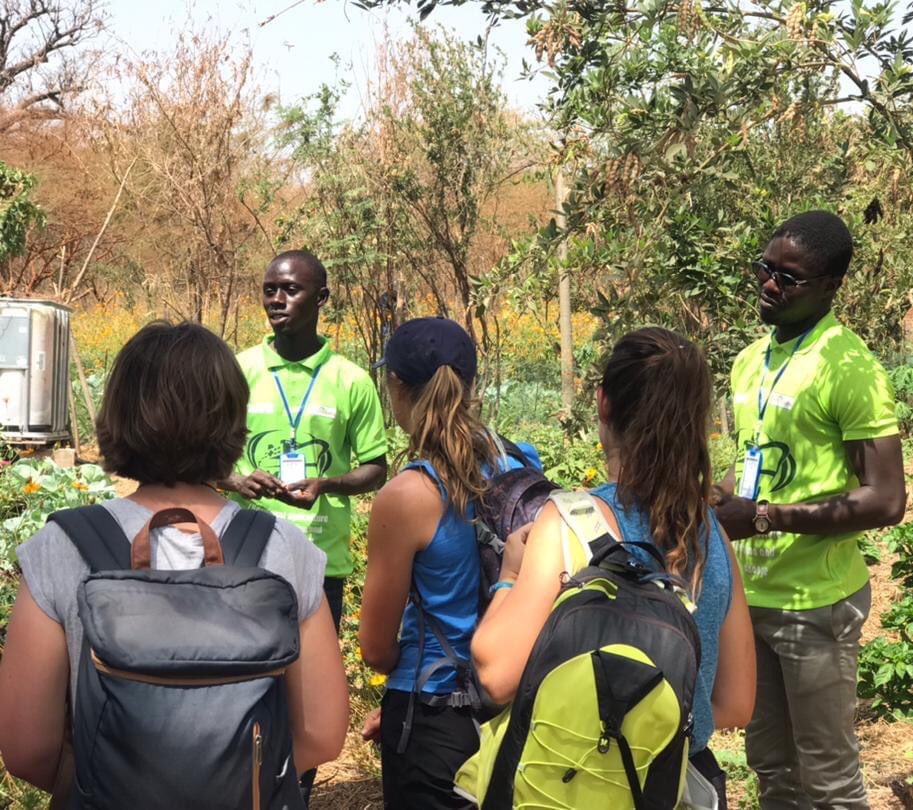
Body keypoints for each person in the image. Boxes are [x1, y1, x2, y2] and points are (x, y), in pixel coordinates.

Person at [0, 321, 348, 800]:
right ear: (232, 419)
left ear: (118, 414)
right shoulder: (283, 548)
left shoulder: (62, 546)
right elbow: (321, 735)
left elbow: (27, 749)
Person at [471, 327, 756, 789]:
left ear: (603, 403)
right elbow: (736, 704)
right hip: (681, 783)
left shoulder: (570, 522)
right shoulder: (711, 535)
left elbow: (497, 676)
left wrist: (508, 578)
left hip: (580, 786)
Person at [713, 210, 906, 809]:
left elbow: (886, 498)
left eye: (789, 278)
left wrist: (767, 517)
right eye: (765, 270)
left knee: (828, 776)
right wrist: (714, 504)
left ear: (829, 288)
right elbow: (753, 463)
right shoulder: (750, 361)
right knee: (770, 766)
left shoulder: (851, 369)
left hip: (815, 604)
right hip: (752, 597)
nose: (770, 285)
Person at [358, 316, 531, 809]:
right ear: (473, 384)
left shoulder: (408, 496)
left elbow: (374, 647)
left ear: (395, 387)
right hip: (512, 706)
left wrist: (402, 692)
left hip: (436, 717)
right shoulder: (522, 463)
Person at [220, 249, 388, 632]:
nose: (276, 301)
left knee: (312, 685)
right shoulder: (237, 371)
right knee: (248, 680)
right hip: (246, 557)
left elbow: (376, 468)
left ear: (322, 298)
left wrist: (328, 483)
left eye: (291, 290)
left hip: (320, 562)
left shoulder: (351, 380)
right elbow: (200, 455)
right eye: (269, 290)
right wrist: (235, 481)